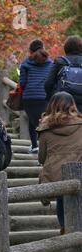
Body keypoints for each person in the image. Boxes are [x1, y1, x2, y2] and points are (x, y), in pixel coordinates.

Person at [37, 92, 82, 234]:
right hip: (79, 172)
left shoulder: (45, 128)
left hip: (57, 176)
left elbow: (41, 158)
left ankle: (65, 231)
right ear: (72, 106)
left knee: (62, 199)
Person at [19, 40, 53, 154]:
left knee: (32, 121)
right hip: (45, 97)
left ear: (30, 51)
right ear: (43, 49)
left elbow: (22, 83)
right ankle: (45, 149)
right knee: (44, 123)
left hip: (29, 98)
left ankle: (34, 146)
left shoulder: (25, 64)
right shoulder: (51, 63)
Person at [45, 35, 82, 112]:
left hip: (63, 103)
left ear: (66, 48)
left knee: (63, 122)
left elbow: (48, 83)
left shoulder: (60, 61)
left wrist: (52, 99)